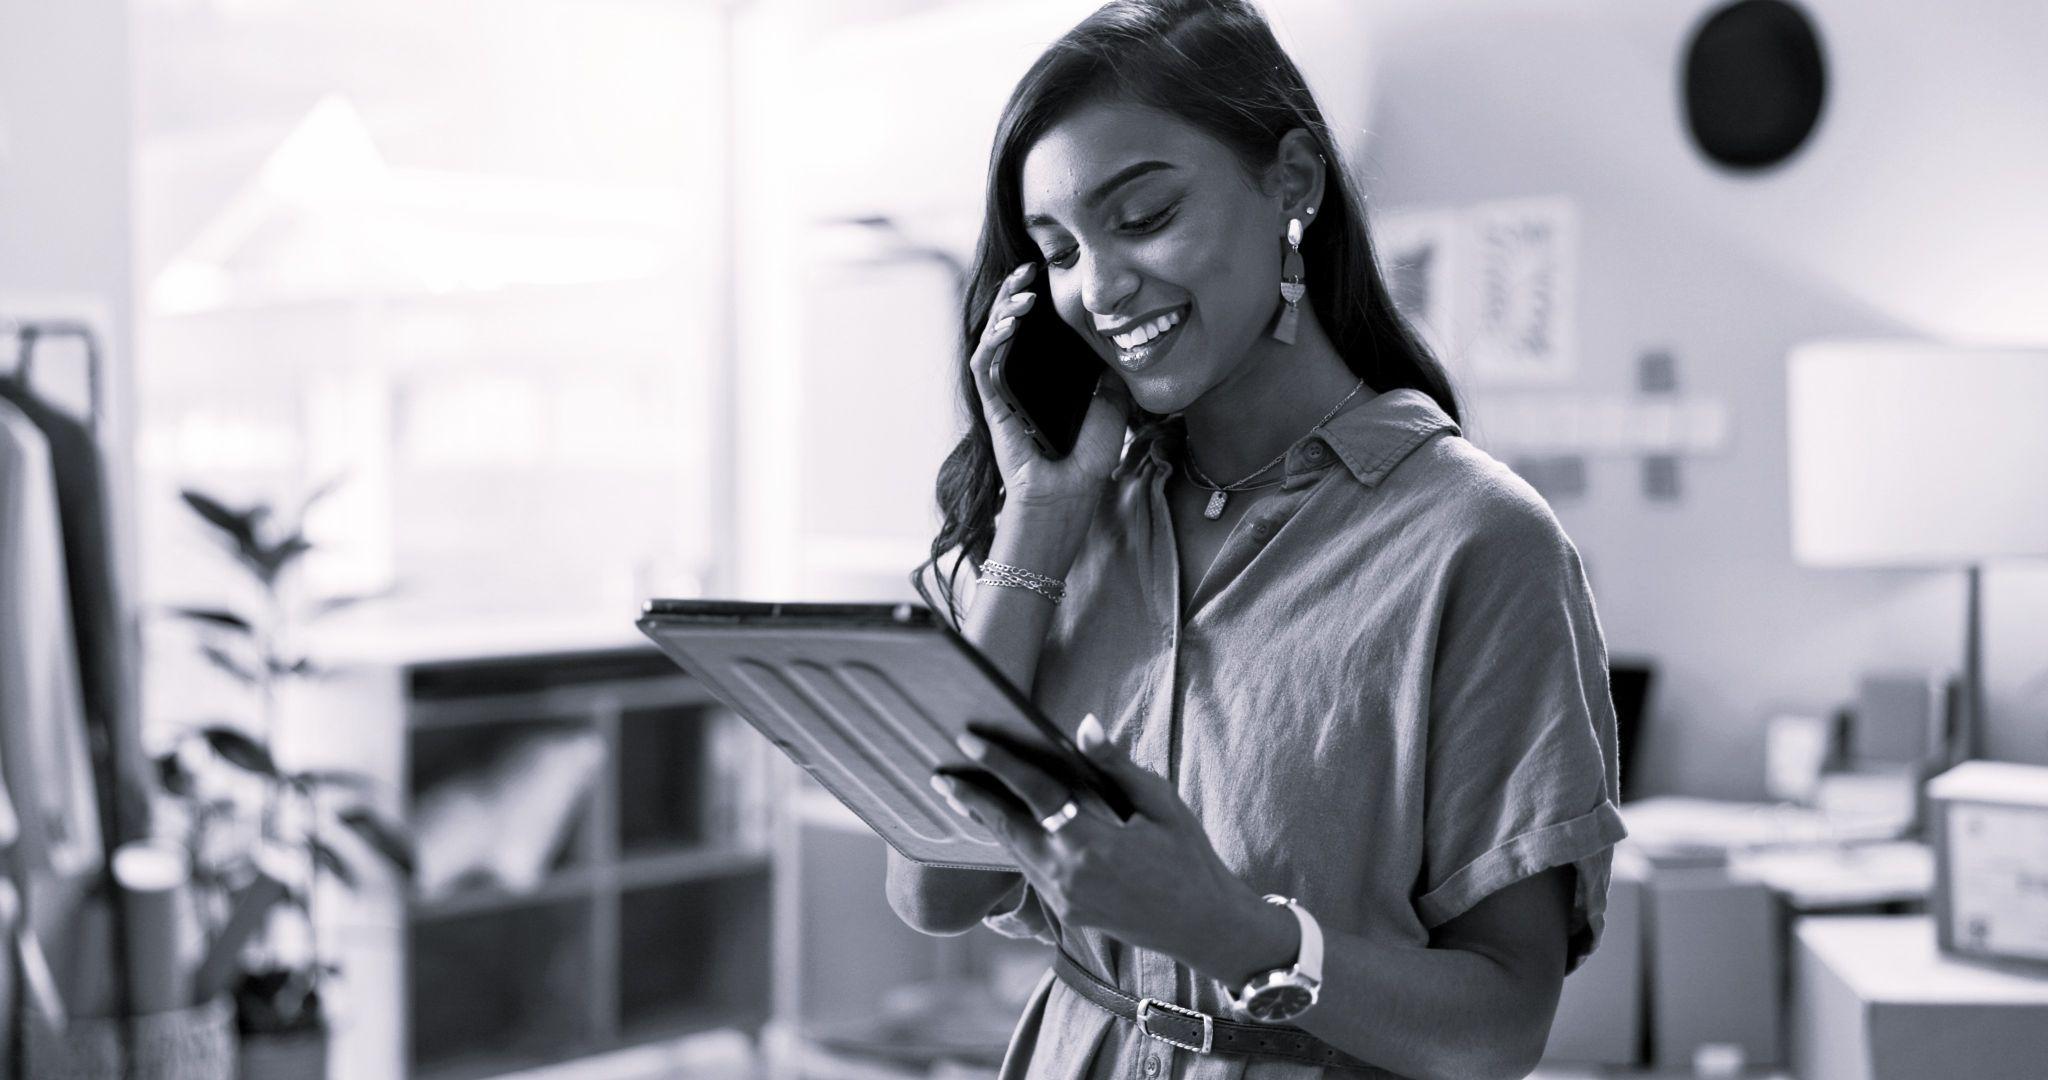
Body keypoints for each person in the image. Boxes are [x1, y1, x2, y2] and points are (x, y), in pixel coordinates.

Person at [897, 2, 1626, 1077]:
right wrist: (1040, 521)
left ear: (1291, 182)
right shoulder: (1068, 518)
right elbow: (932, 888)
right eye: (1055, 252)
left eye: (1141, 215)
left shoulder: (1477, 542)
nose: (1095, 290)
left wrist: (1234, 932)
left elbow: (1500, 1029)